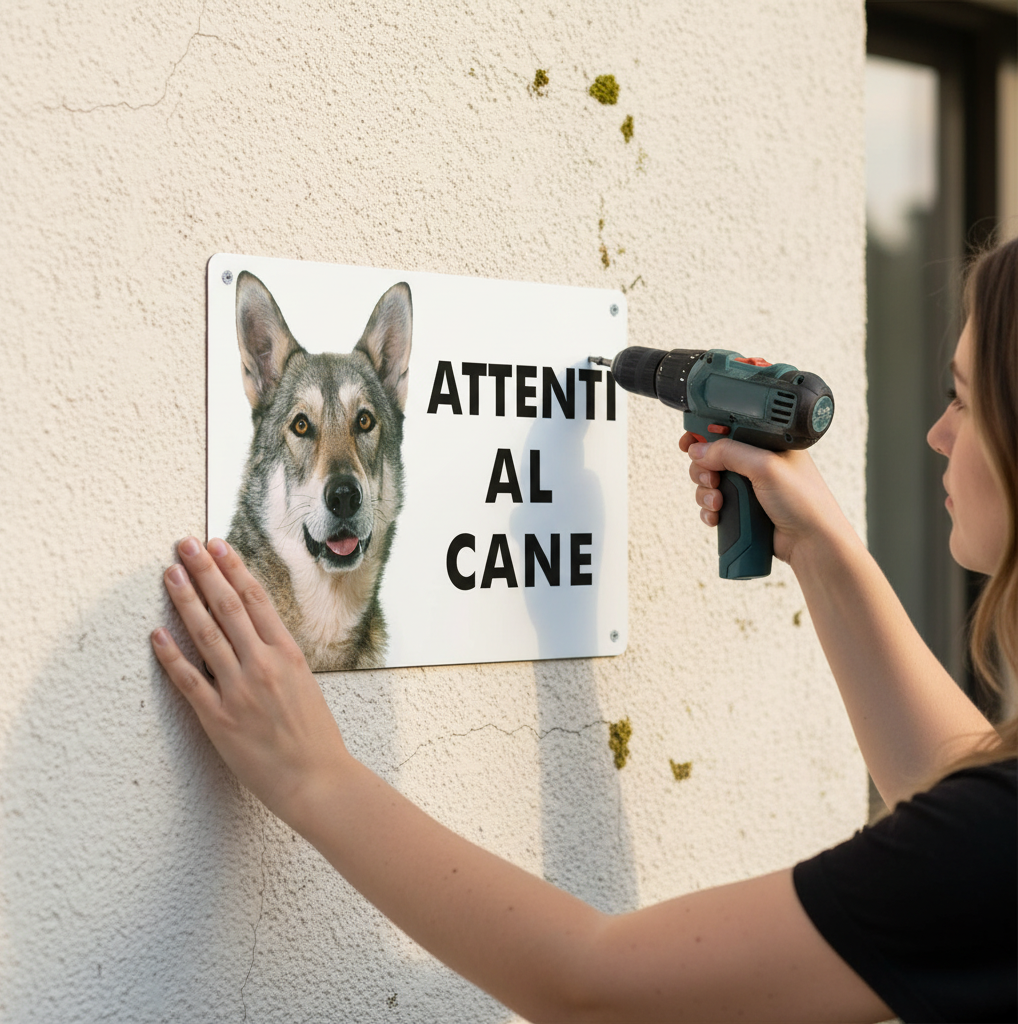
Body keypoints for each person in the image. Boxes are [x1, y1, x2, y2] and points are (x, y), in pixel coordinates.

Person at [152, 237, 1018, 1023]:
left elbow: (595, 986)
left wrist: (317, 776)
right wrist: (825, 551)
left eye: (963, 399)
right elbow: (952, 788)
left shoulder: (991, 842)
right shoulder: (989, 828)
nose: (938, 433)